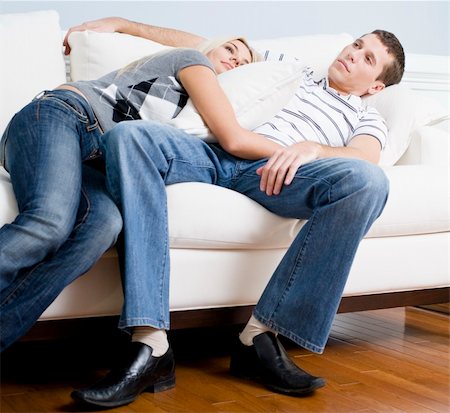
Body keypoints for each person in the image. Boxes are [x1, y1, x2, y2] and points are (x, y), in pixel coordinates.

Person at [65, 18, 405, 409]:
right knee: (129, 136)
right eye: (356, 44)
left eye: (367, 58)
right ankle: (151, 344)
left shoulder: (367, 117)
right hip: (212, 151)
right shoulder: (292, 66)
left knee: (369, 183)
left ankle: (261, 337)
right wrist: (123, 25)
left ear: (376, 86)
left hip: (276, 175)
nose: (352, 54)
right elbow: (204, 42)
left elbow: (365, 157)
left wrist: (312, 148)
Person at [0, 34, 263, 351]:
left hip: (92, 163)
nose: (235, 59)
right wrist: (308, 152)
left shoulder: (199, 115)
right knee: (49, 223)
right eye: (230, 49)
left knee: (102, 227)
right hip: (65, 116)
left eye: (244, 63)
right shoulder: (194, 61)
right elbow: (233, 138)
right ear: (211, 47)